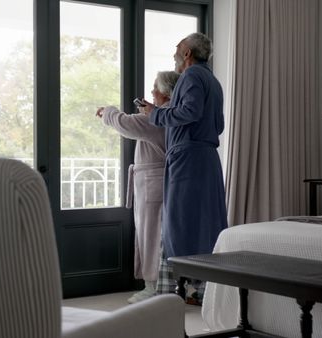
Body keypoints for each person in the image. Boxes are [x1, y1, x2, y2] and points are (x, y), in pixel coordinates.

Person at [139, 32, 228, 303]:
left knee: (178, 222)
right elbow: (218, 125)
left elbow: (189, 112)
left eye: (177, 48)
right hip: (207, 159)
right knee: (205, 222)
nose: (174, 54)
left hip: (187, 158)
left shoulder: (190, 77)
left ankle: (169, 294)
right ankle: (204, 291)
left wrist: (154, 113)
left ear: (187, 53)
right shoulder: (212, 81)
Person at [96, 70, 180, 303]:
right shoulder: (171, 115)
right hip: (158, 181)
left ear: (167, 93)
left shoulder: (159, 118)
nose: (152, 92)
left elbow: (125, 124)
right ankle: (159, 284)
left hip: (153, 183)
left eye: (156, 88)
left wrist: (108, 110)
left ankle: (152, 286)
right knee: (155, 233)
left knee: (150, 233)